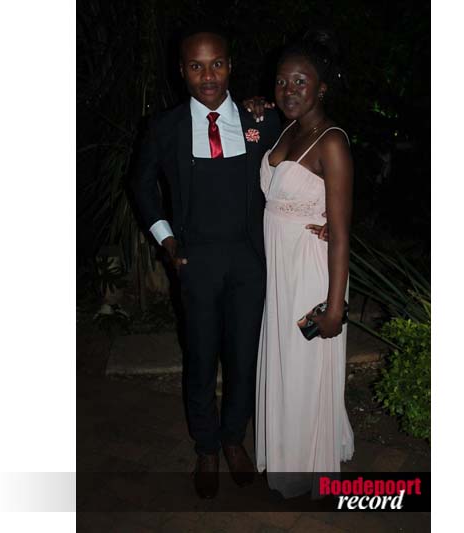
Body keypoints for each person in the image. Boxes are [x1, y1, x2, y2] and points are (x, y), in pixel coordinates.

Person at [131, 27, 285, 500]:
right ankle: (206, 446)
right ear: (182, 71)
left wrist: (319, 220)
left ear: (230, 66)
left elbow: (303, 161)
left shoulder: (261, 118)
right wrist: (167, 240)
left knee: (243, 355)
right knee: (200, 356)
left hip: (249, 260)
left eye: (216, 64)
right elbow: (140, 186)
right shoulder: (166, 127)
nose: (208, 76)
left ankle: (233, 438)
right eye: (196, 66)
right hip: (195, 261)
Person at [254, 30, 355, 498]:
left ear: (321, 87)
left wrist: (334, 307)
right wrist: (254, 111)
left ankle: (310, 466)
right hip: (281, 276)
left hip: (312, 274)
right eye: (281, 81)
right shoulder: (288, 129)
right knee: (286, 367)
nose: (289, 90)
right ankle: (288, 455)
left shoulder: (331, 142)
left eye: (300, 81)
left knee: (304, 371)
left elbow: (341, 233)